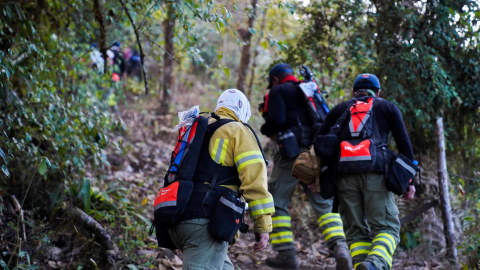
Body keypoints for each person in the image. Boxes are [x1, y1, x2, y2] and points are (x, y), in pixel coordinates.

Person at [315, 74, 416, 270]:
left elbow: (319, 145)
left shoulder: (339, 110)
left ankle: (363, 264)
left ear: (354, 92)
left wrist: (317, 177)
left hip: (344, 178)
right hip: (376, 175)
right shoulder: (387, 107)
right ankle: (375, 264)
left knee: (356, 233)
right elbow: (405, 147)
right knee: (386, 228)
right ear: (378, 92)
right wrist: (409, 182)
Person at [168, 89, 274, 270]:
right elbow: (254, 181)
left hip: (177, 216)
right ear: (243, 110)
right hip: (204, 225)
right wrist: (262, 224)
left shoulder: (197, 126)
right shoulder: (238, 131)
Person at [260, 63, 351, 270]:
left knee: (277, 201)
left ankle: (286, 255)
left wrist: (265, 126)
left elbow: (278, 120)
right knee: (324, 206)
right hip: (314, 152)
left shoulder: (277, 90)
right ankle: (341, 249)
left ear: (275, 79)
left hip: (291, 153)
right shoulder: (308, 88)